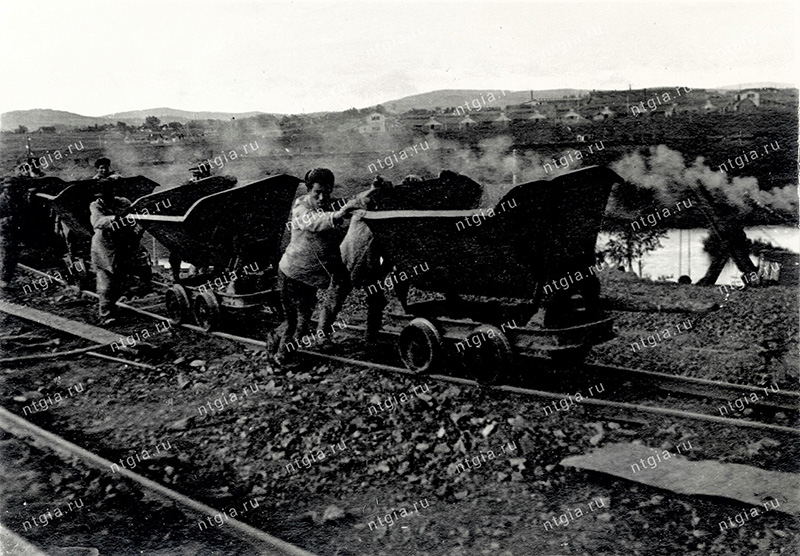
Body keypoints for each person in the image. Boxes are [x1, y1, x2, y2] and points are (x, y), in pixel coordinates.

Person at [275, 168, 360, 361]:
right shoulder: (301, 207)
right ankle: (280, 354)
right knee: (295, 322)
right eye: (317, 193)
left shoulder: (329, 202)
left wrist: (371, 191)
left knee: (307, 317)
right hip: (293, 273)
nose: (322, 198)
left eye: (327, 192)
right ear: (308, 191)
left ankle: (309, 341)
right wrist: (338, 215)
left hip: (314, 272)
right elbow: (314, 222)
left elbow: (350, 201)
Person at [335, 175, 395, 342]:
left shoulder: (388, 208)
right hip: (349, 258)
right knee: (336, 297)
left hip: (370, 262)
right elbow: (350, 206)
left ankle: (371, 337)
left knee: (376, 299)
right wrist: (373, 189)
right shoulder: (363, 203)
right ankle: (321, 336)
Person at [89, 180, 136, 324]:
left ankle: (115, 307)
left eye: (109, 194)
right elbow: (97, 221)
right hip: (104, 243)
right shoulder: (96, 205)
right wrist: (115, 218)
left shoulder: (123, 202)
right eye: (103, 195)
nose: (106, 197)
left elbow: (133, 214)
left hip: (121, 242)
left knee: (120, 275)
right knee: (106, 278)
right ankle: (106, 314)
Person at [0, 177, 25, 293]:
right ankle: (4, 281)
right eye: (9, 189)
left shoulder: (17, 200)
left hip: (14, 231)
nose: (12, 191)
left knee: (12, 256)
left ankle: (5, 279)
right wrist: (7, 220)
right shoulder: (1, 201)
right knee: (6, 255)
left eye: (14, 189)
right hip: (4, 232)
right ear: (5, 189)